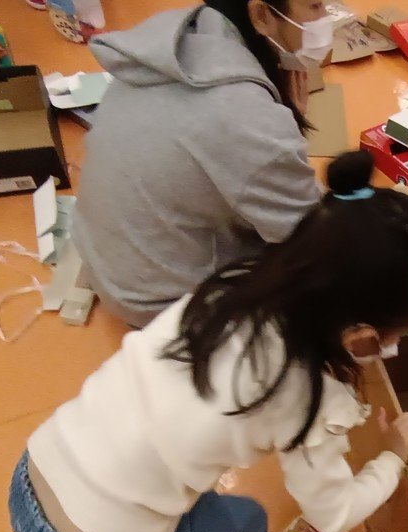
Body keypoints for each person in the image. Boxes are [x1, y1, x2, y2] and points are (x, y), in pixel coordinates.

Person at [9, 151, 408, 532]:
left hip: (32, 479)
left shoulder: (231, 288)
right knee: (244, 527)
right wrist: (392, 457)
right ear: (361, 337)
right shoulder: (311, 400)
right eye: (400, 332)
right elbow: (333, 512)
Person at [72, 1, 335, 328]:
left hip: (109, 263)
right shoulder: (246, 116)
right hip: (163, 305)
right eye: (316, 6)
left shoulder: (176, 39)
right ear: (261, 15)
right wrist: (287, 132)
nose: (326, 19)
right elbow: (313, 239)